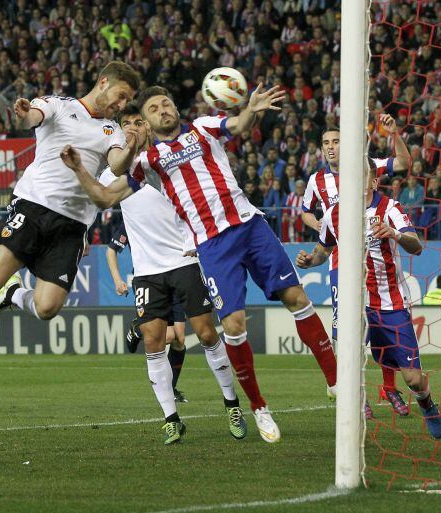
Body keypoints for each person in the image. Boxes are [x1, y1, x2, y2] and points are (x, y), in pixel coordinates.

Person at [59, 85, 338, 442]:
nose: (163, 110)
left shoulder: (202, 127)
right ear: (145, 121)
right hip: (212, 244)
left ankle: (334, 381)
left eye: (166, 103)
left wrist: (251, 108)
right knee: (234, 325)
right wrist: (82, 169)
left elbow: (237, 125)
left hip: (250, 225)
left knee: (297, 298)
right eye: (154, 108)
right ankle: (258, 407)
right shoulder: (147, 163)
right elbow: (103, 195)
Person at [0, 61, 142, 366]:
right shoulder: (59, 105)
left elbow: (116, 165)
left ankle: (13, 297)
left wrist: (131, 147)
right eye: (121, 95)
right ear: (103, 82)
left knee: (47, 308)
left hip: (73, 225)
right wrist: (24, 114)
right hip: (33, 207)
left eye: (128, 100)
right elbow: (33, 117)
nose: (122, 104)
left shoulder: (112, 129)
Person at [97, 103, 263, 443]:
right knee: (155, 342)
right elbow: (97, 199)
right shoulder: (115, 173)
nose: (131, 128)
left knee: (204, 334)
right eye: (124, 123)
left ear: (147, 126)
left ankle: (232, 404)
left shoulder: (166, 159)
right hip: (146, 271)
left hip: (185, 260)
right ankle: (171, 417)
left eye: (137, 122)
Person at [296, 161, 441, 438]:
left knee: (413, 379)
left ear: (374, 182)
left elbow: (417, 246)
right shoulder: (333, 213)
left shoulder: (390, 208)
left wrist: (395, 234)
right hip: (356, 305)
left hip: (390, 304)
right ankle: (354, 420)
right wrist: (309, 261)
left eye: (361, 175)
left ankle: (426, 402)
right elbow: (324, 249)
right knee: (349, 363)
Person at [300, 115, 411, 416]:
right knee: (345, 330)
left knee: (380, 328)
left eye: (336, 141)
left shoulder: (366, 166)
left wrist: (394, 133)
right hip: (339, 263)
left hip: (376, 259)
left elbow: (402, 162)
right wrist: (321, 225)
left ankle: (389, 387)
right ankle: (356, 395)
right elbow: (305, 212)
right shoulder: (316, 181)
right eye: (326, 143)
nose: (331, 147)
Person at [106, 218, 192, 403]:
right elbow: (111, 250)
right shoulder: (132, 218)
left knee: (180, 339)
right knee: (168, 336)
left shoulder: (165, 213)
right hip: (149, 281)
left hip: (174, 277)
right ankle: (137, 329)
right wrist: (117, 280)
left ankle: (171, 389)